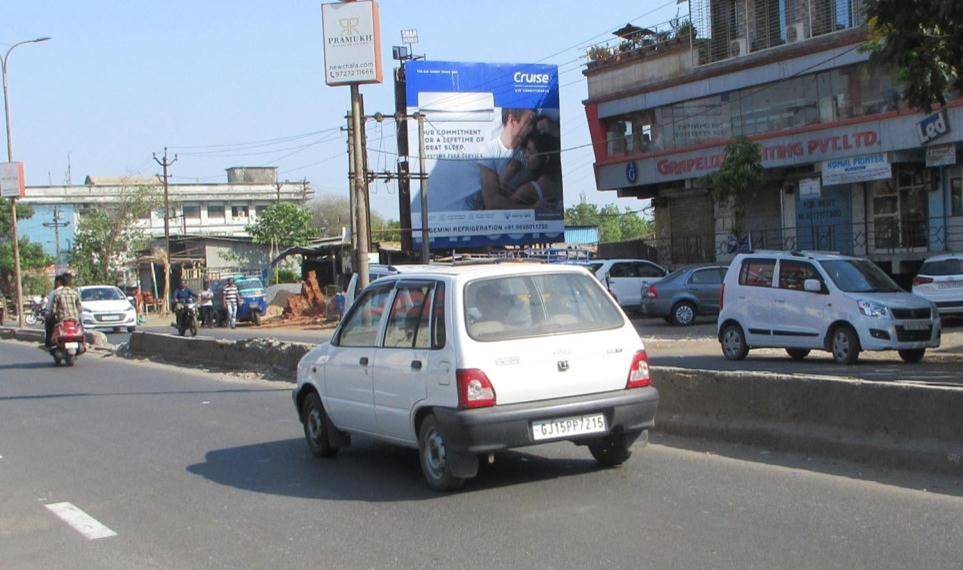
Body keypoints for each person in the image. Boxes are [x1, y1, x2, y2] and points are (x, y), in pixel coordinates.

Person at [411, 108, 536, 213]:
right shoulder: (489, 152)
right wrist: (533, 210)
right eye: (529, 122)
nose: (531, 128)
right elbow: (492, 202)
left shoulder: (528, 150)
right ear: (512, 120)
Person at [44, 275, 64, 348]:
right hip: (71, 318)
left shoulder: (54, 293)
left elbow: (50, 308)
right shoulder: (72, 292)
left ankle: (49, 343)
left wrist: (48, 315)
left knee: (49, 322)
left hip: (58, 318)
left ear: (58, 282)